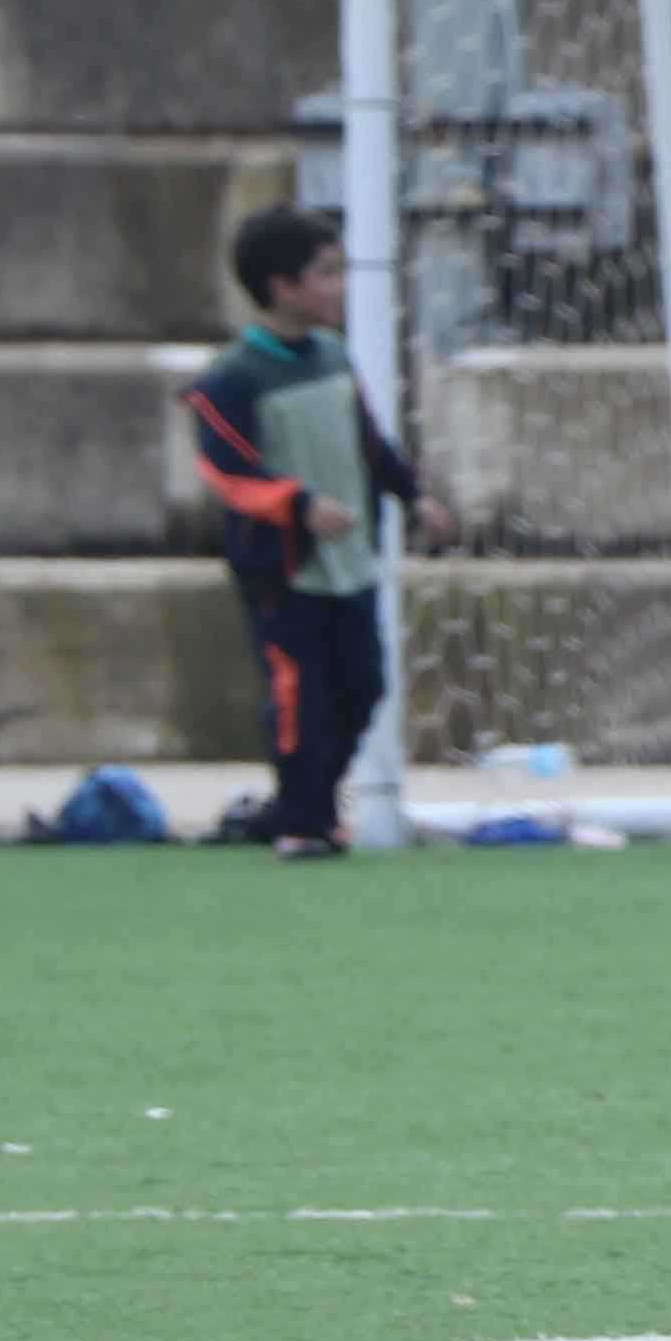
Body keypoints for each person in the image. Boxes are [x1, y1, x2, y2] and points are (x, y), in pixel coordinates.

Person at [179, 203, 420, 861]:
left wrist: (412, 495)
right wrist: (299, 504)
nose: (341, 286)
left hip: (350, 563)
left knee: (363, 687)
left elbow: (367, 441)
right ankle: (302, 824)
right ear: (282, 287)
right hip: (285, 571)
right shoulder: (233, 379)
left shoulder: (335, 357)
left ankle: (305, 805)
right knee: (298, 699)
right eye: (328, 273)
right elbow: (226, 472)